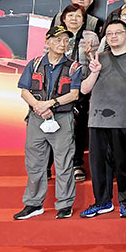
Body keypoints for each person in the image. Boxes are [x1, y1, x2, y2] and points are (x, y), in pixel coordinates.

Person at [79, 19, 126, 219]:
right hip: (97, 120)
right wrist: (94, 72)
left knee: (123, 164)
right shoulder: (98, 58)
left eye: (117, 32)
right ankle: (102, 202)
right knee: (98, 165)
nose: (113, 36)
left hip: (125, 120)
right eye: (109, 33)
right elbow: (84, 89)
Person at [13, 26, 81, 221]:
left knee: (64, 163)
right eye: (58, 40)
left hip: (62, 118)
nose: (63, 44)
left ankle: (65, 204)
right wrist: (38, 106)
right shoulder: (34, 64)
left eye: (66, 40)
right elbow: (24, 91)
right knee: (34, 163)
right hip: (36, 118)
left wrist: (50, 104)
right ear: (48, 41)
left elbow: (74, 94)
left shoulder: (74, 67)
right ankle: (34, 204)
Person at [59, 3, 99, 182]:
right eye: (70, 15)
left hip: (82, 88)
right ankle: (52, 164)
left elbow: (96, 64)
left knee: (80, 127)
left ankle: (77, 164)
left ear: (83, 20)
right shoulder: (57, 36)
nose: (74, 19)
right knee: (58, 125)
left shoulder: (91, 37)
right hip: (59, 88)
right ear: (63, 19)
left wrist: (90, 54)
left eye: (78, 16)